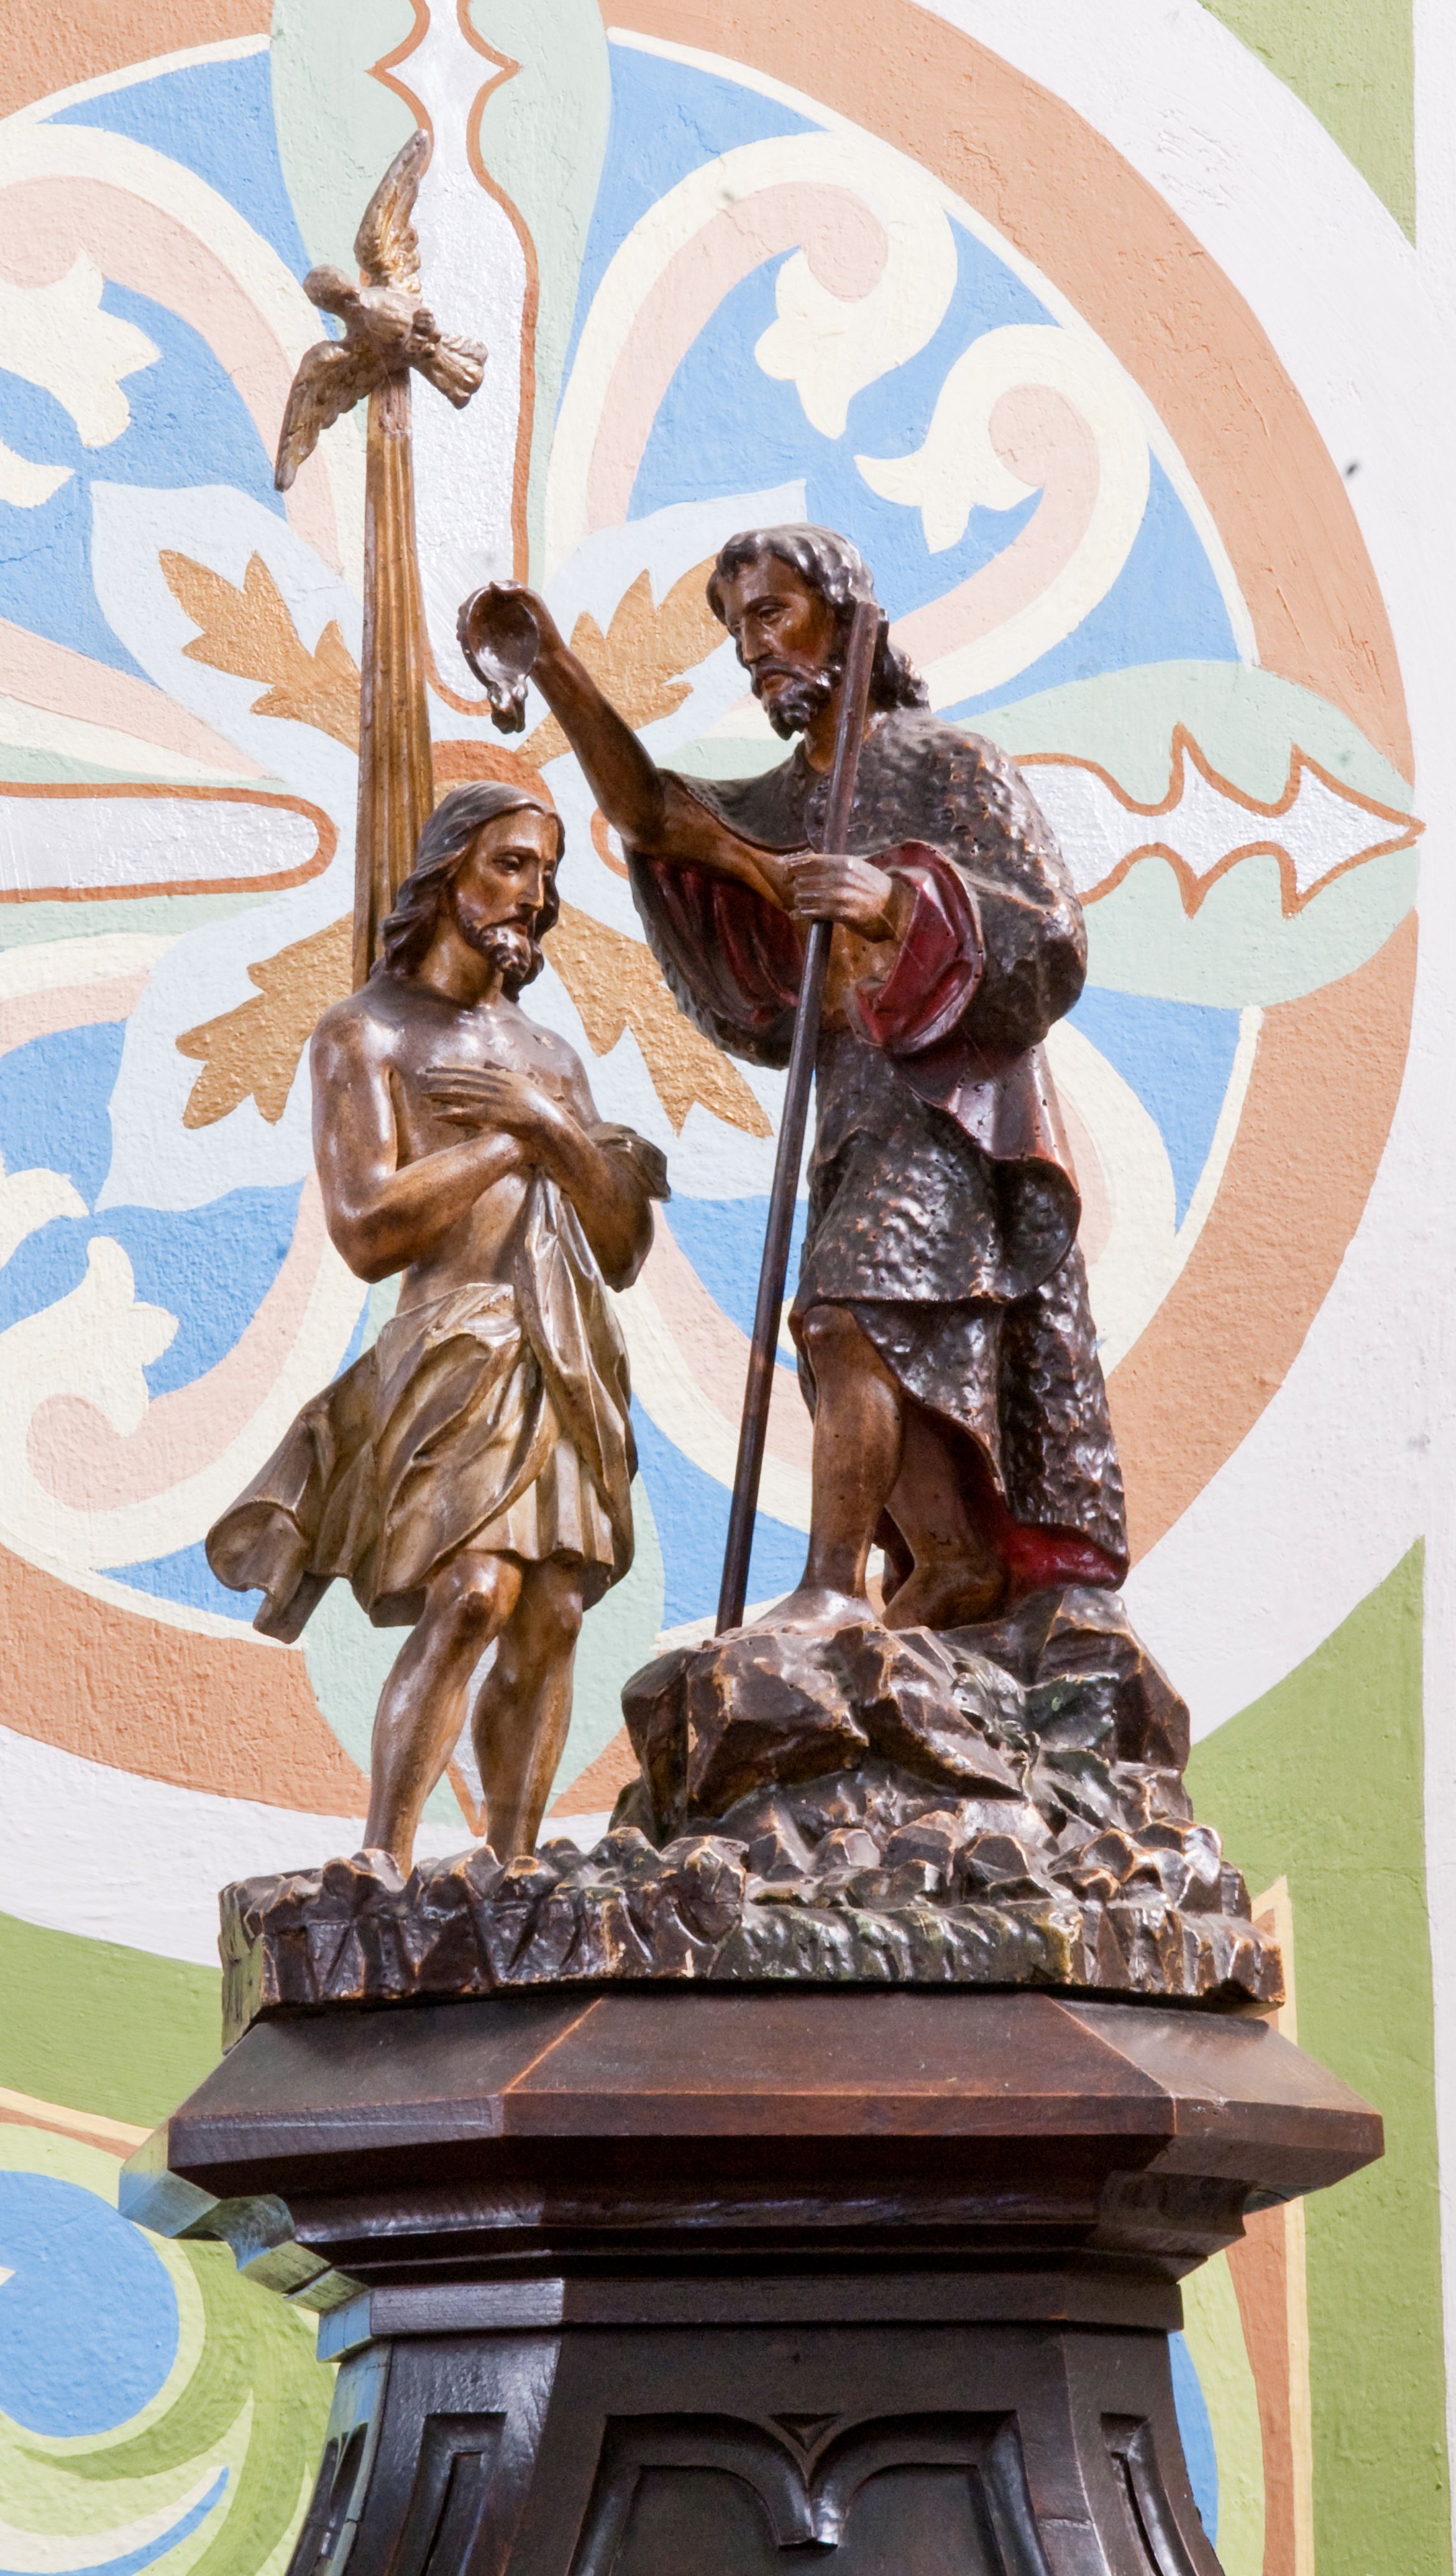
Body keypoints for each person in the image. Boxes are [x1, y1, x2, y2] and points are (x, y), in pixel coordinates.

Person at [464, 524, 1126, 1636]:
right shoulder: (785, 798)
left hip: (949, 1114)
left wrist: (895, 902)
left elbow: (1052, 934)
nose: (752, 647)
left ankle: (831, 1584)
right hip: (855, 1112)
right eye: (738, 628)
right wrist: (556, 666)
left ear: (846, 616)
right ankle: (953, 1559)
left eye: (771, 613)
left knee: (845, 1311)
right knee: (861, 1325)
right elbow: (659, 816)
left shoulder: (947, 764)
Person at [206, 781, 666, 1864]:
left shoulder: (549, 1062)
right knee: (471, 1593)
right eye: (510, 864)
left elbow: (621, 1247)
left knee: (554, 1610)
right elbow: (368, 1227)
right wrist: (512, 1142)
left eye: (546, 873)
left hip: (561, 1346)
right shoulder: (364, 1033)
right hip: (453, 1347)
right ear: (447, 872)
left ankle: (513, 1864)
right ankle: (386, 1855)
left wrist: (549, 1124)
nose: (533, 894)